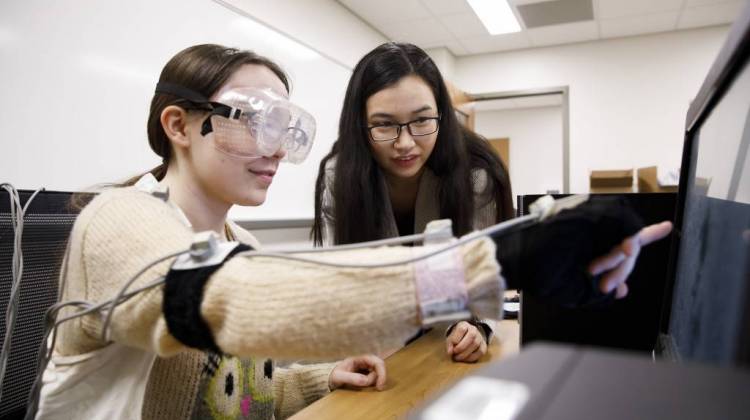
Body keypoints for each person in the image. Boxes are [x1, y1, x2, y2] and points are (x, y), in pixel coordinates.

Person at [35, 44, 505, 420]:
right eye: (254, 121)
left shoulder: (243, 247)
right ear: (179, 125)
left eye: (282, 128)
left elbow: (243, 401)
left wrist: (323, 378)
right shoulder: (117, 219)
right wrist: (457, 277)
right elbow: (231, 300)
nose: (276, 150)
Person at [312, 42, 516, 362]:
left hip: (445, 348)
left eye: (421, 121)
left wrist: (476, 327)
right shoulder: (341, 177)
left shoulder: (476, 174)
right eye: (384, 124)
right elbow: (345, 280)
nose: (405, 144)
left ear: (441, 115)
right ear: (360, 125)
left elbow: (483, 273)